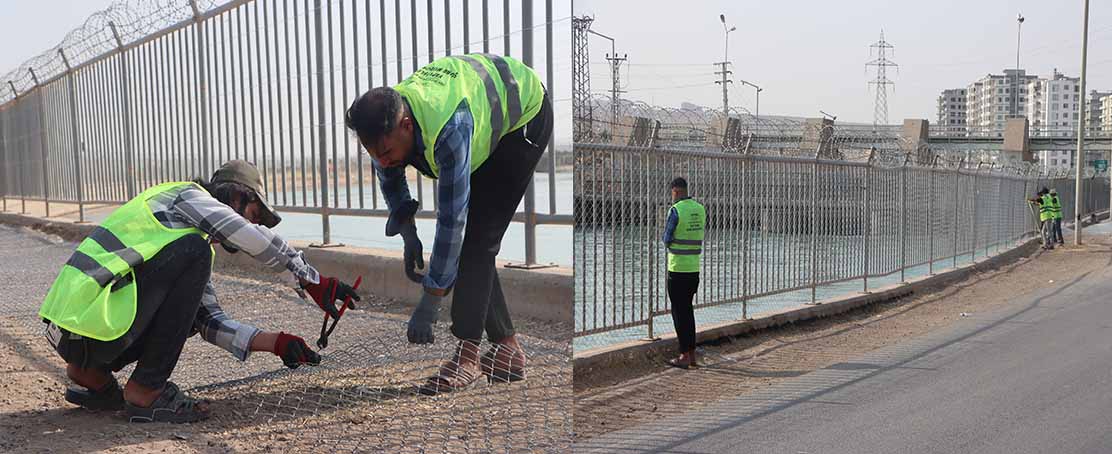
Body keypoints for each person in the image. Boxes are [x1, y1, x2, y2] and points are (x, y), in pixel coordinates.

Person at [39, 160, 360, 423]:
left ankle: (88, 373)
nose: (253, 224)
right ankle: (146, 391)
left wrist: (277, 343)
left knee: (196, 255)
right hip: (88, 323)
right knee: (197, 249)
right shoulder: (186, 198)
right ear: (237, 196)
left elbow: (207, 321)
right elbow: (245, 233)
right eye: (254, 214)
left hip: (72, 331)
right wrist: (310, 279)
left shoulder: (177, 237)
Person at [344, 53, 552, 394]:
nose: (382, 161)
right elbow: (391, 178)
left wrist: (431, 299)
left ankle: (468, 355)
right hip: (478, 108)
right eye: (374, 154)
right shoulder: (385, 120)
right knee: (474, 242)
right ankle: (508, 351)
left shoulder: (449, 128)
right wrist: (408, 233)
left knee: (478, 238)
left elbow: (451, 221)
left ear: (406, 126)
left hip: (524, 117)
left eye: (386, 151)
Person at [661, 177, 706, 369]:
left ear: (675, 191)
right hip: (694, 269)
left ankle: (684, 355)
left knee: (679, 314)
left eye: (672, 194)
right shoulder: (699, 208)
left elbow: (667, 238)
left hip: (677, 268)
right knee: (688, 311)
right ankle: (692, 355)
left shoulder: (676, 210)